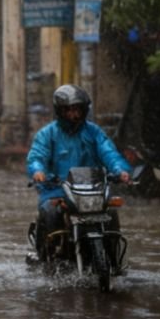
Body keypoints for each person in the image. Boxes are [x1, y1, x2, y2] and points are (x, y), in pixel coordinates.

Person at [26, 83, 132, 263]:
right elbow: (37, 156)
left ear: (84, 110)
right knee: (50, 212)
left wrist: (120, 170)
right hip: (57, 189)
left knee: (111, 214)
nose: (73, 114)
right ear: (60, 111)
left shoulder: (94, 132)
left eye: (77, 109)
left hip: (92, 190)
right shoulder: (47, 134)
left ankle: (113, 259)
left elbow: (109, 152)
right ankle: (47, 256)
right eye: (68, 110)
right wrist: (38, 171)